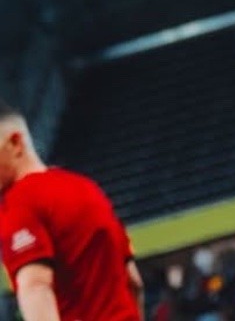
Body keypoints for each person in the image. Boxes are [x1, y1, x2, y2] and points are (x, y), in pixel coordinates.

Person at [0, 100, 143, 321]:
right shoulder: (88, 188)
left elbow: (36, 287)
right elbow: (133, 281)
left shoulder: (19, 202)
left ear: (15, 143)